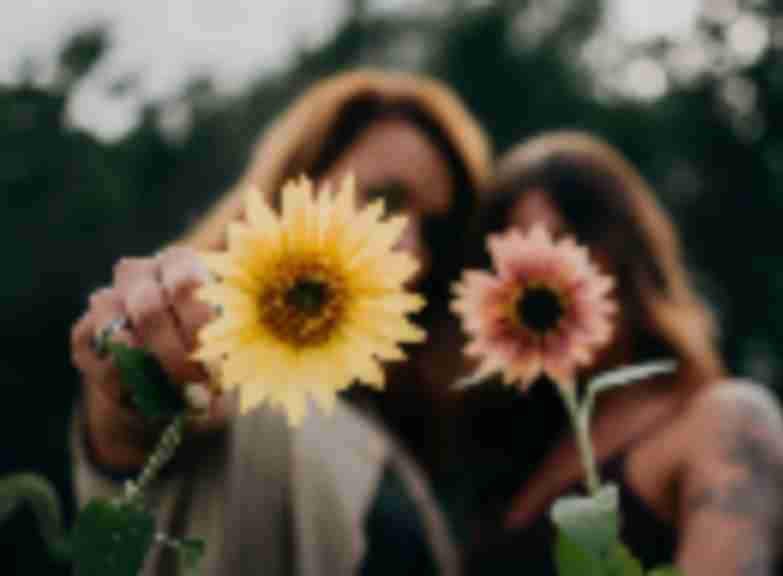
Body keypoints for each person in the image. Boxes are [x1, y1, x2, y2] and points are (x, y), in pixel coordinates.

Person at [68, 69, 492, 575]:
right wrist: (142, 366)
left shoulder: (395, 422)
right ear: (298, 183)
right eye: (384, 201)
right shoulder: (228, 352)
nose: (412, 249)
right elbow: (158, 404)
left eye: (436, 232)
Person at [459, 132, 783, 575]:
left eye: (562, 243)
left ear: (626, 252)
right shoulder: (519, 453)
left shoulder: (724, 421)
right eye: (513, 265)